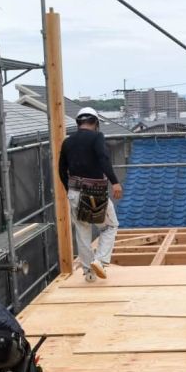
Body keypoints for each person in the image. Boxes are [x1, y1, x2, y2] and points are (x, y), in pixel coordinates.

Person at [58, 107, 123, 280]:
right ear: (95, 123)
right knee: (110, 226)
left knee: (82, 229)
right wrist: (115, 182)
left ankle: (89, 273)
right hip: (94, 191)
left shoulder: (67, 141)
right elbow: (103, 158)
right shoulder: (97, 137)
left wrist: (69, 190)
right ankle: (100, 261)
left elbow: (61, 170)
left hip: (74, 191)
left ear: (78, 122)